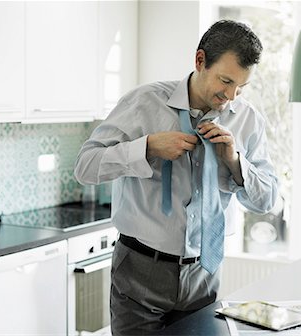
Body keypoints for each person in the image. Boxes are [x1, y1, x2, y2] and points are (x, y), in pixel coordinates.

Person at [74, 19, 278, 335]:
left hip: (204, 275)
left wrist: (235, 161)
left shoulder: (248, 121)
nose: (231, 95)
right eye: (225, 81)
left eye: (241, 86)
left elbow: (266, 199)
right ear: (200, 61)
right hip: (140, 271)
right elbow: (86, 166)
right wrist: (147, 147)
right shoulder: (143, 103)